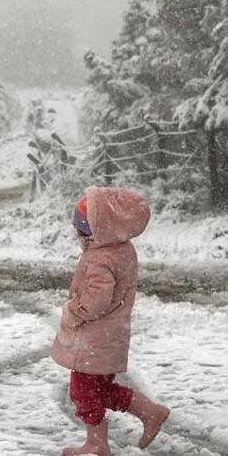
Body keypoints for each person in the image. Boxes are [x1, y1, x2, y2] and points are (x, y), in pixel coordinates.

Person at [51, 187, 171, 455]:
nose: (79, 236)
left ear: (98, 229)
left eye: (83, 230)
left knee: (84, 393)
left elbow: (97, 299)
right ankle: (147, 412)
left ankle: (98, 442)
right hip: (109, 337)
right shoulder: (121, 248)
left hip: (93, 339)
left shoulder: (101, 257)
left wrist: (73, 310)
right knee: (100, 390)